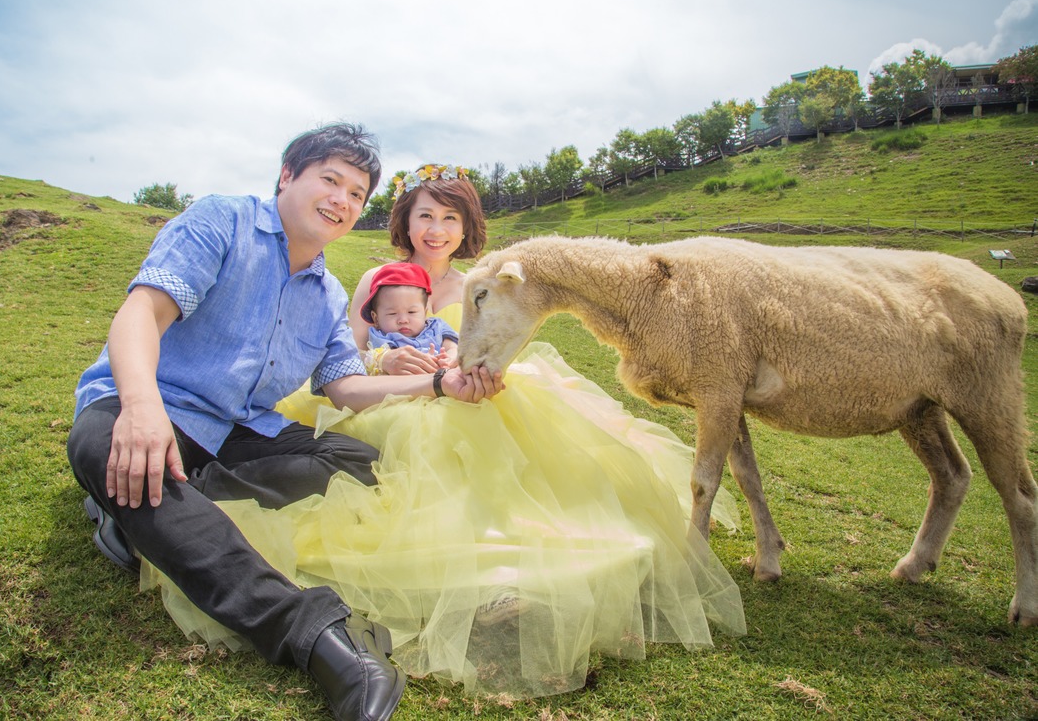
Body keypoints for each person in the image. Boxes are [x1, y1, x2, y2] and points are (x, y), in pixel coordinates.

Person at [145, 164, 747, 699]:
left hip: (464, 390)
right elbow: (349, 355)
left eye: (449, 218)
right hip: (392, 394)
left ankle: (514, 547)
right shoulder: (375, 277)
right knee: (405, 444)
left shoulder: (479, 282)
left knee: (504, 426)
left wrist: (469, 369)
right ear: (405, 222)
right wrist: (388, 362)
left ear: (467, 227)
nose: (435, 229)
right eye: (424, 216)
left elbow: (503, 339)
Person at [66, 127, 501, 721]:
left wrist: (438, 382)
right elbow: (141, 310)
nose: (341, 200)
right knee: (97, 442)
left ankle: (146, 510)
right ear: (287, 175)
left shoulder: (326, 295)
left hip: (241, 427)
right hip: (155, 403)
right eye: (330, 179)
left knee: (355, 462)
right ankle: (323, 638)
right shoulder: (224, 221)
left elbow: (345, 387)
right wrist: (142, 410)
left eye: (356, 192)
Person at [360, 262, 458, 371]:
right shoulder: (382, 337)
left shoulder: (437, 326)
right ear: (376, 318)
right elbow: (387, 358)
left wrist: (450, 357)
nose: (403, 320)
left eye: (411, 312)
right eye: (392, 313)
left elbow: (453, 347)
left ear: (424, 313)